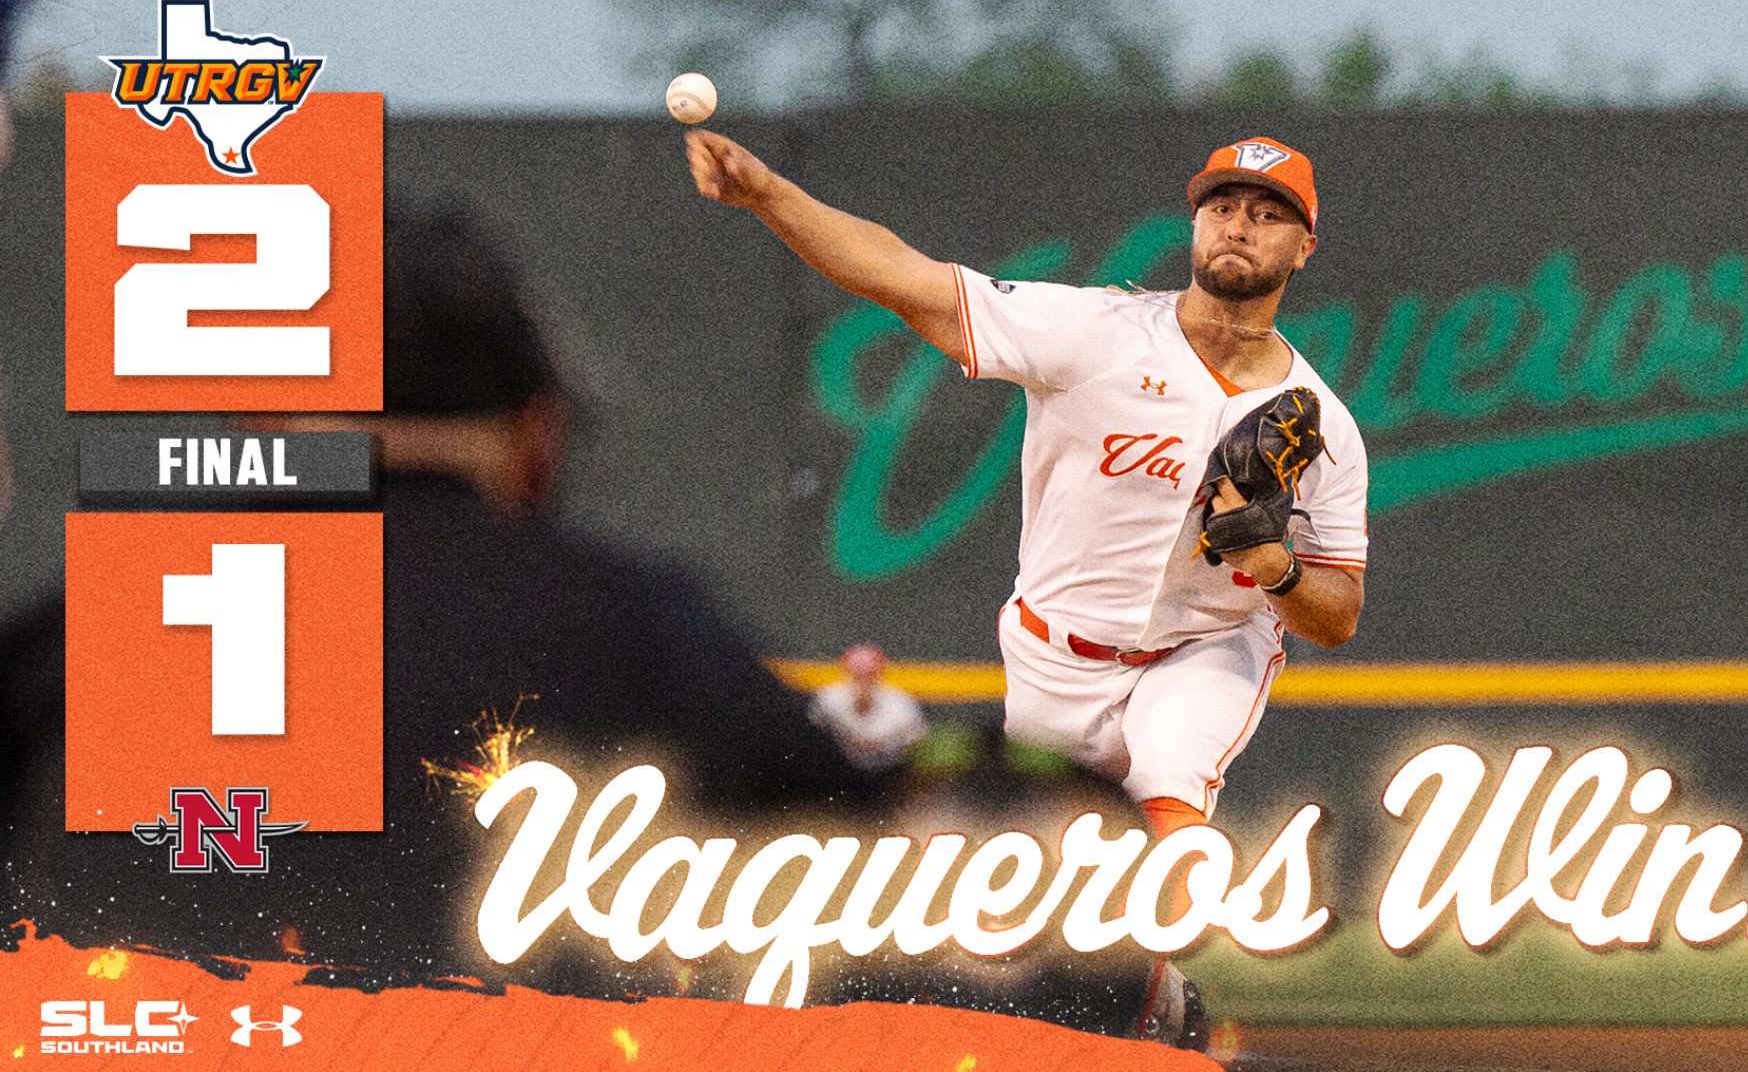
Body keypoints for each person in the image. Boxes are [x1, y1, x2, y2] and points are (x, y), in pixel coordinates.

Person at [0, 204, 870, 994]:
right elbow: (878, 931)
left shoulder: (76, 648)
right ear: (542, 434)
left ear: (259, 423)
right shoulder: (660, 640)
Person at [686, 130, 1369, 1045]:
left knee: (1169, 776)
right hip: (1055, 650)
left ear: (1304, 245)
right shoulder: (1093, 333)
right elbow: (904, 278)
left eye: (1267, 213)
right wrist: (771, 195)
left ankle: (1147, 991)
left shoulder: (1325, 425)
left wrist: (1274, 564)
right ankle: (1085, 1020)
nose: (1239, 226)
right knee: (1026, 884)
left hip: (1208, 646)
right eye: (1223, 206)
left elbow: (1337, 614)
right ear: (1196, 223)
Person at [808, 643, 929, 774]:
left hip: (886, 773)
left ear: (879, 673)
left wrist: (883, 745)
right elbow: (813, 736)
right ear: (846, 673)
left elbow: (916, 742)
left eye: (868, 674)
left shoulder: (899, 701)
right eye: (857, 674)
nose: (863, 680)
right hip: (834, 772)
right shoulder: (828, 698)